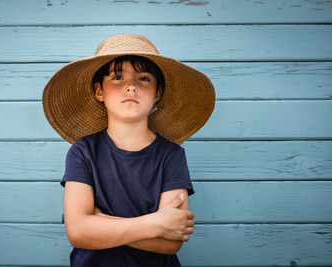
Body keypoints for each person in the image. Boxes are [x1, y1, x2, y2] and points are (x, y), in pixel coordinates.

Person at [42, 34, 215, 267]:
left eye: (143, 78)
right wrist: (155, 224)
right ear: (99, 91)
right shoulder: (83, 152)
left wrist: (100, 223)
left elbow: (170, 242)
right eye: (117, 77)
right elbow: (78, 232)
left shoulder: (171, 155)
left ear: (157, 94)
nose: (131, 86)